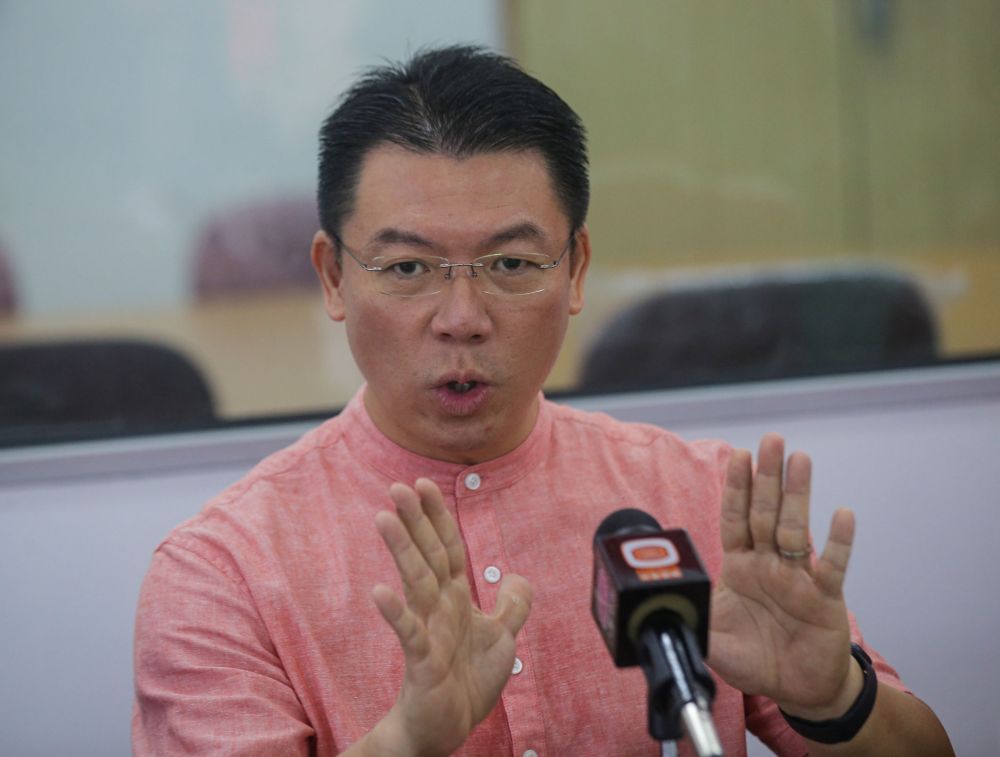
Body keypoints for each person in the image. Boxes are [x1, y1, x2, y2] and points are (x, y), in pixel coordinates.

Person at [132, 45, 953, 756]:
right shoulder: (224, 573)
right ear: (333, 276)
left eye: (512, 264)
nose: (463, 319)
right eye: (409, 268)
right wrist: (407, 737)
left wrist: (836, 700)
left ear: (578, 270)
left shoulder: (694, 503)